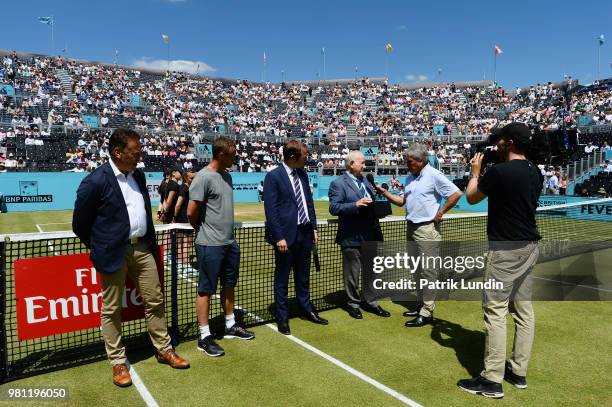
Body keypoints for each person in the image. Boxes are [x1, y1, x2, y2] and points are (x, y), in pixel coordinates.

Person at [72, 128, 189, 388]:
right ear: (118, 152)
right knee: (112, 309)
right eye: (135, 152)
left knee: (155, 299)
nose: (140, 156)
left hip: (143, 249)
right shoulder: (96, 180)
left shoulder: (138, 174)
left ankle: (164, 349)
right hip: (113, 253)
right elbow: (80, 223)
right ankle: (118, 362)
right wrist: (100, 246)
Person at [458, 122, 543, 399]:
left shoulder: (499, 172)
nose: (496, 145)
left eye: (500, 141)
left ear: (508, 142)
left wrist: (475, 173)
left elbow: (471, 197)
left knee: (495, 311)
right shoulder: (535, 171)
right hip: (530, 246)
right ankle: (518, 372)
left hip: (506, 249)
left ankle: (492, 380)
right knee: (523, 311)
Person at [376, 143, 463, 327]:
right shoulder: (409, 178)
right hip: (411, 227)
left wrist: (441, 212)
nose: (406, 165)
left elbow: (456, 193)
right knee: (416, 269)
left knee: (428, 271)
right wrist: (385, 193)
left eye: (409, 162)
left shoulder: (434, 175)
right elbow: (401, 201)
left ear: (420, 161)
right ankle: (421, 304)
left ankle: (427, 311)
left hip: (426, 229)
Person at [187, 136, 255, 358]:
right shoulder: (203, 177)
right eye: (232, 155)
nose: (235, 158)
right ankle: (204, 336)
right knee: (206, 288)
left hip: (229, 242)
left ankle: (230, 324)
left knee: (229, 284)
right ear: (221, 154)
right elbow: (191, 212)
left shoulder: (227, 176)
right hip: (209, 244)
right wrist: (203, 230)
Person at [263, 140, 327, 335]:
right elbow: (271, 210)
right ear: (293, 156)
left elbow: (309, 203)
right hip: (286, 236)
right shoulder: (273, 177)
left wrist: (314, 227)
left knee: (303, 276)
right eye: (305, 156)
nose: (308, 159)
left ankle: (306, 309)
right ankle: (282, 318)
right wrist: (279, 237)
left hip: (305, 233)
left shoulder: (303, 175)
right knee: (282, 278)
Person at [328, 150, 390, 319]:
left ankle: (371, 302)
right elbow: (334, 208)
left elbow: (372, 202)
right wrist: (356, 204)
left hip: (372, 234)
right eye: (361, 162)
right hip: (351, 235)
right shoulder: (338, 183)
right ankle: (353, 303)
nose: (364, 165)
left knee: (372, 272)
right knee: (352, 273)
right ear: (351, 164)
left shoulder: (366, 181)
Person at [173, 170, 195, 272]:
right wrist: (174, 217)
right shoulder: (184, 188)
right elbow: (178, 205)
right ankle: (186, 264)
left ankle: (180, 262)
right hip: (184, 219)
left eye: (194, 178)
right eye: (191, 178)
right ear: (186, 178)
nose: (193, 180)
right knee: (186, 241)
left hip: (183, 218)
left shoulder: (187, 188)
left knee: (181, 241)